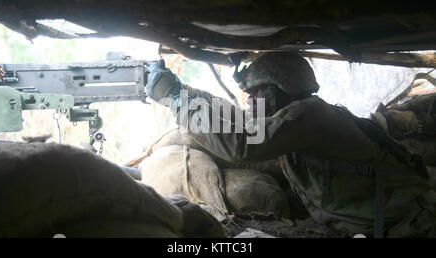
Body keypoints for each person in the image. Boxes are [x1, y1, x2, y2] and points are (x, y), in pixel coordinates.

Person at [145, 52, 435, 237]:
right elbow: (237, 122)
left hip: (408, 224)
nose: (249, 102)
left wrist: (175, 99)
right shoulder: (295, 116)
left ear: (275, 92)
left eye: (254, 93)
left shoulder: (308, 115)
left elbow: (243, 145)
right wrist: (186, 93)